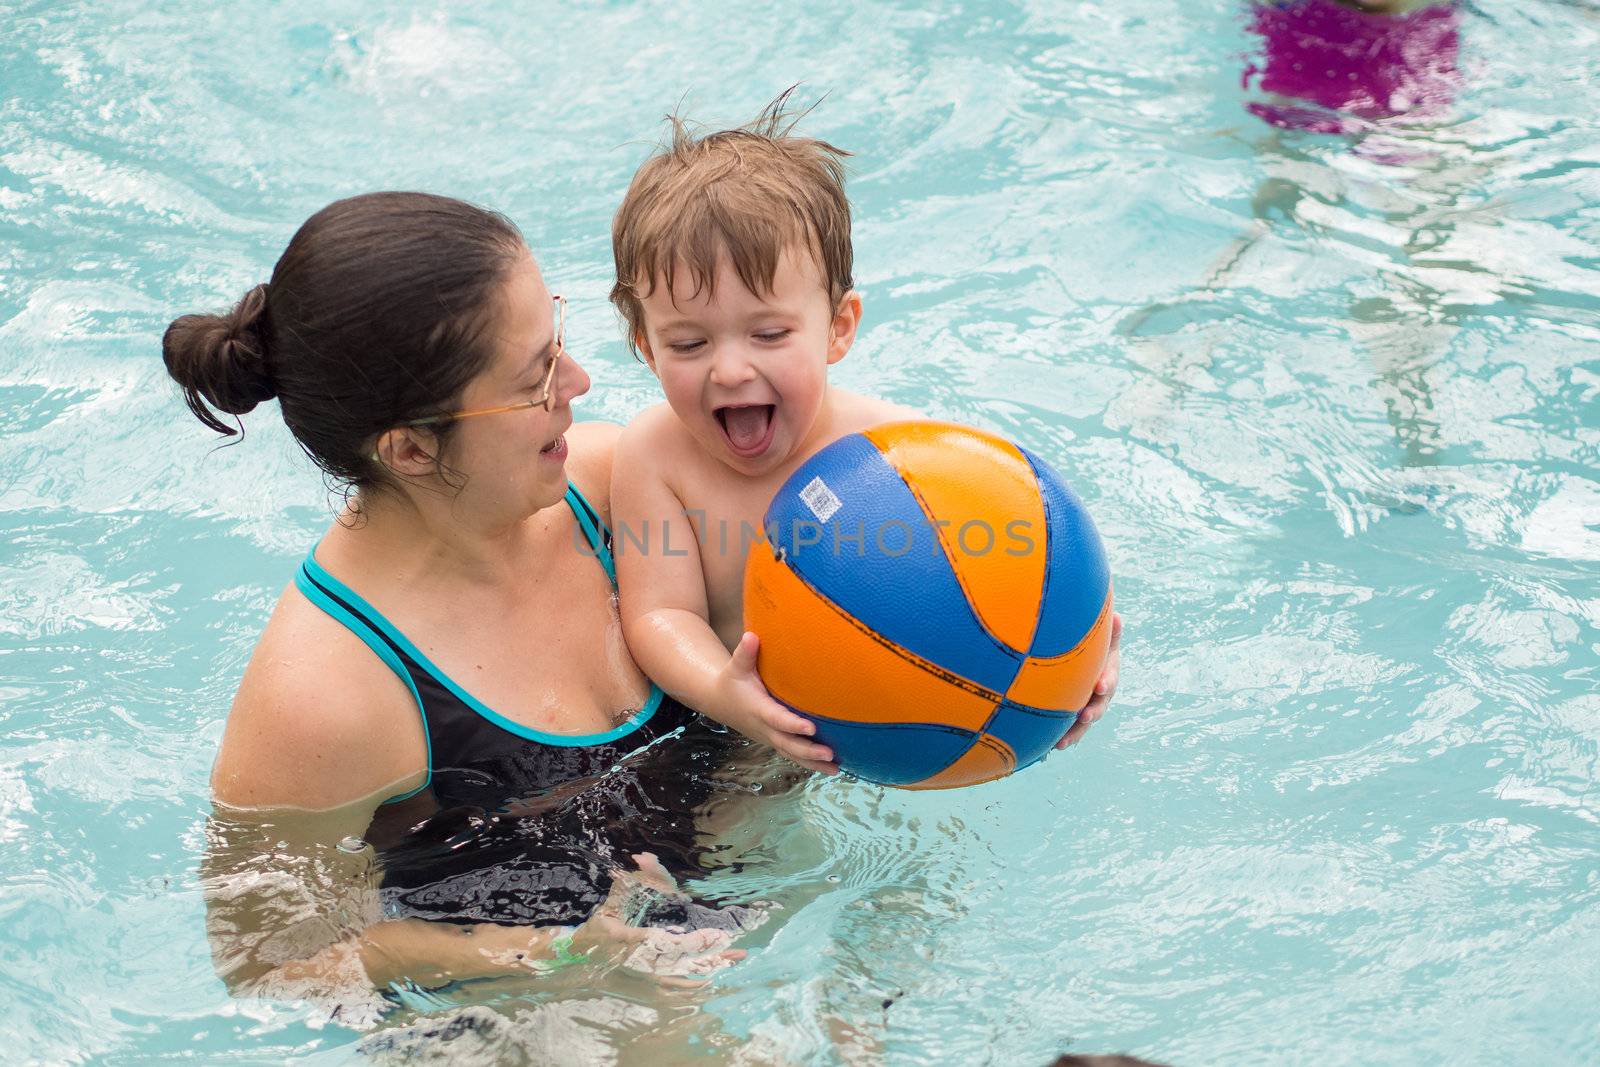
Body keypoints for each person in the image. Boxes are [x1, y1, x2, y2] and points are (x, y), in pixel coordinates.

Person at [167, 191, 749, 1008]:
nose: (578, 383)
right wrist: (546, 957)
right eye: (535, 378)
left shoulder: (618, 493)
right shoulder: (329, 695)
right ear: (409, 448)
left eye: (559, 341)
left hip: (722, 911)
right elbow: (263, 959)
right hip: (529, 1019)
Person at [608, 97, 1123, 772]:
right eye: (688, 342)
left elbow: (1035, 562)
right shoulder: (656, 455)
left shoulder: (908, 461)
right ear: (645, 346)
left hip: (904, 723)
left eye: (769, 334)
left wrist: (1077, 661)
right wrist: (727, 696)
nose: (730, 369)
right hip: (742, 734)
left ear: (839, 326)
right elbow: (660, 617)